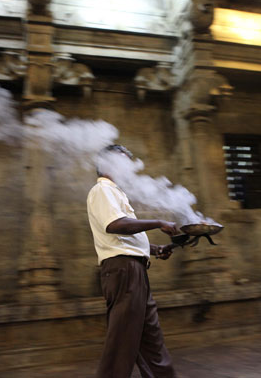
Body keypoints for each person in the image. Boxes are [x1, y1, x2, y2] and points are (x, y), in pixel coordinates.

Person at [87, 144, 179, 378]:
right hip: (123, 270)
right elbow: (116, 226)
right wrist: (158, 222)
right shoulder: (102, 191)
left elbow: (126, 238)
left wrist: (156, 249)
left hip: (134, 270)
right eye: (122, 160)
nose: (128, 165)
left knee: (150, 337)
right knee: (122, 340)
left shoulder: (116, 193)